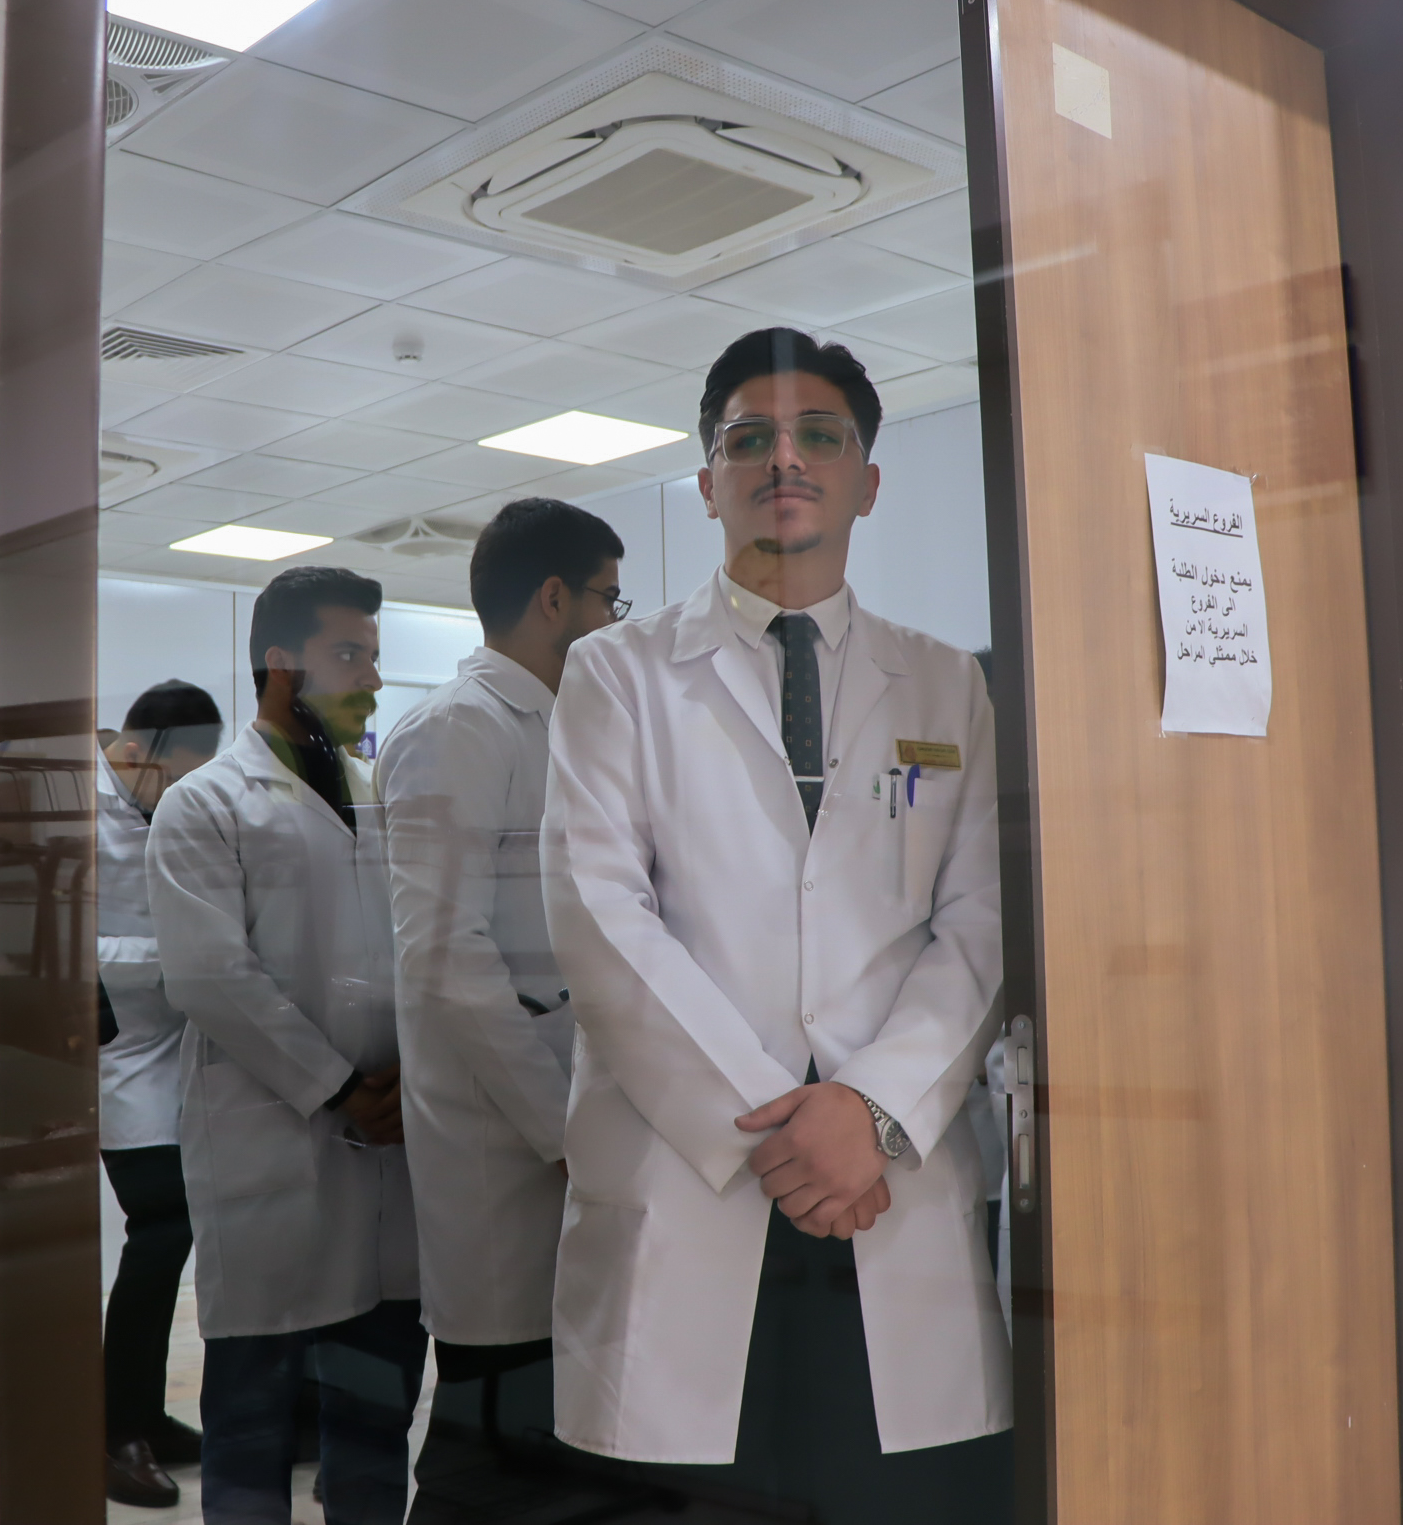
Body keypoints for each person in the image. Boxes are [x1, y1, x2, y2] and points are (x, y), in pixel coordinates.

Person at [541, 328, 1013, 1523]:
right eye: (748, 438)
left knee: (902, 1495)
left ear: (868, 480)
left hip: (886, 1180)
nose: (783, 459)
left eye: (819, 436)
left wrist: (870, 1110)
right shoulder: (616, 674)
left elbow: (979, 923)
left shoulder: (944, 682)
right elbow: (599, 915)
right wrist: (784, 1125)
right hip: (697, 1166)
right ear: (708, 483)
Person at [148, 566, 426, 1525]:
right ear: (280, 662)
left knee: (375, 1416)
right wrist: (343, 1086)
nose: (372, 678)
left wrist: (407, 1080)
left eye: (374, 656)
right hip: (272, 1141)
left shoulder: (380, 796)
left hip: (389, 1144)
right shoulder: (206, 804)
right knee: (252, 1419)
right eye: (349, 654)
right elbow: (209, 976)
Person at [374, 499, 626, 1517]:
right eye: (609, 599)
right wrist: (563, 1128)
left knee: (549, 1439)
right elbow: (445, 959)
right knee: (484, 1443)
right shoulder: (456, 730)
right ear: (554, 598)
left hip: (569, 1123)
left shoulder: (562, 725)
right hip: (503, 1142)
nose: (613, 622)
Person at [98, 680, 225, 1508]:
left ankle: (143, 1414)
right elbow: (59, 940)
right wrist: (174, 960)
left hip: (175, 1049)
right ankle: (114, 1432)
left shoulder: (157, 804)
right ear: (137, 751)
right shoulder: (76, 810)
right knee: (162, 1226)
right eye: (176, 780)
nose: (180, 799)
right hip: (115, 1054)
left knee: (177, 1230)